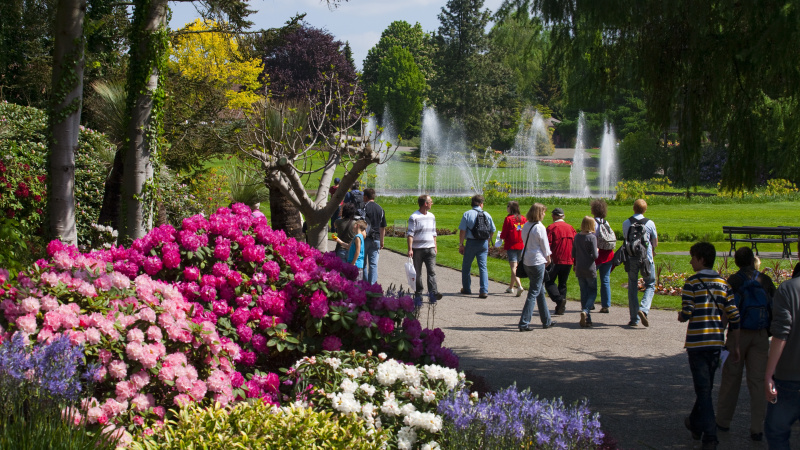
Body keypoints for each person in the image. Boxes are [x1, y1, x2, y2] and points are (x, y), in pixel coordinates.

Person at [679, 242, 741, 450]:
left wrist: (682, 316)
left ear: (701, 259)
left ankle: (710, 436)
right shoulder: (724, 284)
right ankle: (695, 424)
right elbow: (734, 315)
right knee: (705, 388)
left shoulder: (691, 283)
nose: (690, 261)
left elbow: (687, 312)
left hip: (697, 342)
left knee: (703, 390)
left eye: (693, 257)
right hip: (715, 341)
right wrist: (737, 344)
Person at [716, 247, 775, 442]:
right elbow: (773, 307)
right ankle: (757, 427)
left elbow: (727, 309)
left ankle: (723, 421)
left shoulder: (733, 281)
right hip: (760, 335)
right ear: (752, 260)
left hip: (737, 334)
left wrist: (721, 333)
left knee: (731, 380)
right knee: (757, 382)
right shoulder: (765, 281)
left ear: (736, 262)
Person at [764, 268, 800, 448]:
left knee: (777, 433)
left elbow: (780, 335)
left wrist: (769, 374)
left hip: (788, 376)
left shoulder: (787, 289)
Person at [518, 203, 555, 331]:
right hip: (537, 261)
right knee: (534, 292)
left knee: (539, 291)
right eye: (543, 212)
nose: (545, 214)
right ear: (539, 213)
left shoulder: (526, 225)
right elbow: (545, 246)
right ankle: (524, 322)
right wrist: (548, 258)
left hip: (527, 260)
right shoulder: (540, 227)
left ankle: (546, 320)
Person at [622, 199, 658, 327]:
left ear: (633, 208)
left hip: (631, 258)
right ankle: (643, 309)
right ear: (645, 209)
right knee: (650, 284)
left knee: (632, 286)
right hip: (646, 258)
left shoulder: (626, 223)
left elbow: (626, 240)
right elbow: (655, 243)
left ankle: (634, 319)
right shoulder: (650, 223)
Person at [458, 194, 497, 298]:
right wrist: (488, 241)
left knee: (466, 266)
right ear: (481, 204)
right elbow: (492, 230)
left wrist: (461, 244)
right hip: (483, 242)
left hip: (471, 242)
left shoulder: (467, 214)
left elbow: (462, 231)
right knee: (483, 267)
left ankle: (467, 288)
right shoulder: (487, 215)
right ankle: (484, 290)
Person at [407, 194, 442, 305]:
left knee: (432, 272)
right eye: (430, 201)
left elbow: (433, 232)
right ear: (425, 203)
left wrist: (435, 246)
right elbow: (410, 234)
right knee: (417, 273)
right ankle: (418, 294)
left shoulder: (432, 216)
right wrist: (410, 249)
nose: (432, 203)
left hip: (430, 248)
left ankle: (433, 294)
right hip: (418, 249)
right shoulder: (414, 217)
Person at [545, 207, 576, 315]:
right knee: (562, 283)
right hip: (569, 259)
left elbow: (547, 244)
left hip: (556, 259)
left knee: (549, 281)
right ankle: (560, 307)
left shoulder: (552, 227)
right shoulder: (570, 228)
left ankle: (559, 300)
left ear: (554, 216)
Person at [573, 216, 599, 328]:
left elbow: (573, 254)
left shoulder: (577, 237)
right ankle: (586, 310)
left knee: (583, 292)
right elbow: (595, 255)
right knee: (592, 291)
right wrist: (596, 250)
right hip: (589, 267)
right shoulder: (592, 238)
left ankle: (587, 318)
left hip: (579, 267)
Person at [591, 199, 614, 313]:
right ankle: (606, 305)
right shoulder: (606, 222)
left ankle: (591, 303)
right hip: (608, 254)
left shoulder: (593, 223)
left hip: (597, 254)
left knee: (592, 279)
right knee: (605, 280)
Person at [499, 201, 527, 297]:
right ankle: (511, 287)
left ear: (511, 208)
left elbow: (504, 232)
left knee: (513, 267)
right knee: (516, 267)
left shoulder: (508, 219)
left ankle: (519, 286)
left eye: (508, 206)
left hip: (511, 244)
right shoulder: (523, 218)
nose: (506, 208)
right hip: (521, 244)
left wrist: (500, 239)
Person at [362, 188, 387, 284]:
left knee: (363, 263)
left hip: (365, 238)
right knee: (373, 264)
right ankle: (372, 286)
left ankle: (365, 285)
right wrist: (382, 240)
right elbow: (382, 227)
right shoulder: (380, 208)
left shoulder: (364, 207)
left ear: (366, 196)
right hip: (376, 238)